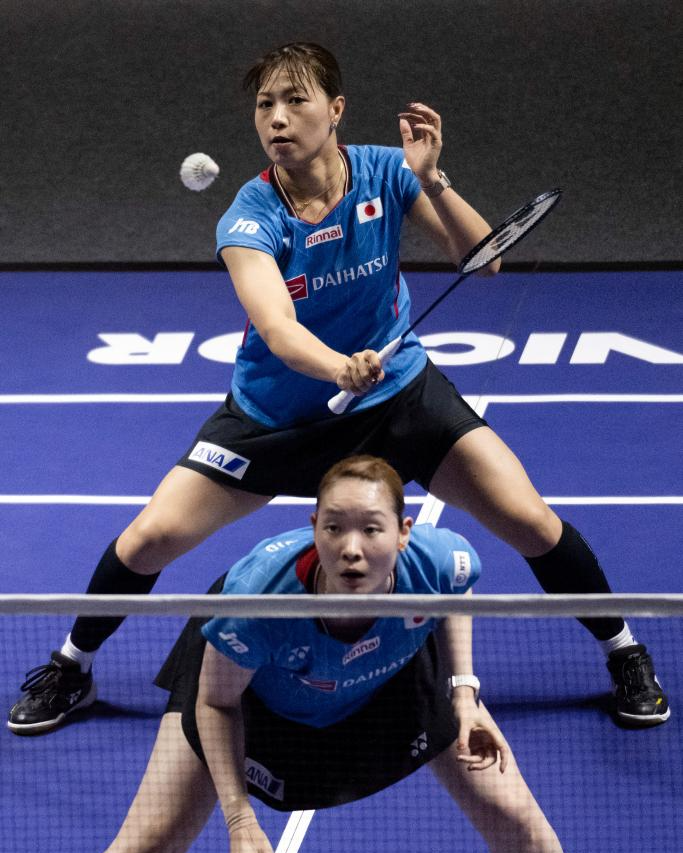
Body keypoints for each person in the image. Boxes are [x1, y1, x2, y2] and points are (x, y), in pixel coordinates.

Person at [8, 41, 667, 735]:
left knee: (528, 519)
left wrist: (432, 180)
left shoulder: (385, 171)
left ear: (335, 110)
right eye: (265, 104)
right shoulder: (249, 217)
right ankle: (72, 665)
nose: (277, 118)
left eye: (295, 100)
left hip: (399, 397)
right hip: (280, 415)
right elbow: (276, 326)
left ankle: (623, 650)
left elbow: (484, 260)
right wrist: (336, 366)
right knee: (150, 537)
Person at [29, 457, 626, 853]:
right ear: (313, 526)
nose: (351, 548)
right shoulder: (256, 603)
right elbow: (216, 703)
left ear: (405, 534)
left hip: (392, 670)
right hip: (251, 690)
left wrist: (465, 694)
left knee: (515, 816)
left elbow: (455, 590)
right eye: (334, 527)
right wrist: (238, 818)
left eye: (372, 529)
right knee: (146, 844)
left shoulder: (439, 560)